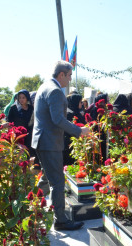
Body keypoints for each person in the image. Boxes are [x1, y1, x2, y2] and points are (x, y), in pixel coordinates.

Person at [32, 61, 90, 231]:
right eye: (69, 75)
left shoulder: (44, 86)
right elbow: (57, 119)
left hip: (42, 140)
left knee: (46, 178)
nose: (70, 79)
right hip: (50, 142)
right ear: (62, 74)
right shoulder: (56, 91)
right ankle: (61, 220)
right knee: (57, 182)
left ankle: (28, 207)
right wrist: (79, 131)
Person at [63, 93, 85, 165]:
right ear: (75, 102)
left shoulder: (77, 113)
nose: (82, 104)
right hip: (71, 144)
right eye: (80, 102)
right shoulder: (69, 114)